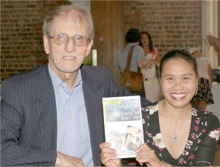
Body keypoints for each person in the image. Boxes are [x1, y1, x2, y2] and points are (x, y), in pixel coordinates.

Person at [0, 3, 150, 166]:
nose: (70, 47)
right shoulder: (19, 89)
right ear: (46, 44)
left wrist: (177, 99)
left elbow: (144, 111)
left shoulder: (101, 80)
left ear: (88, 46)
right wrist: (55, 158)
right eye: (61, 37)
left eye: (78, 38)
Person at [100, 49, 220, 166]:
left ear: (196, 82)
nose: (178, 86)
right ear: (161, 83)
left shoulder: (208, 123)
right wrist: (116, 165)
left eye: (185, 78)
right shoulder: (139, 119)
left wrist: (161, 165)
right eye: (170, 78)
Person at [118, 28, 147, 98]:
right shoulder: (138, 48)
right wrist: (147, 62)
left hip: (125, 82)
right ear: (138, 38)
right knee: (140, 104)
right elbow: (140, 65)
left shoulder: (123, 50)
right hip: (135, 82)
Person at [189, 46, 214, 111]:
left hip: (197, 82)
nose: (199, 52)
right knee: (203, 103)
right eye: (197, 51)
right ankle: (202, 116)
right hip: (205, 81)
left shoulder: (191, 62)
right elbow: (210, 73)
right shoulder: (206, 60)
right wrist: (210, 84)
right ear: (194, 53)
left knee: (196, 103)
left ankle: (198, 116)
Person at [139, 31, 161, 102]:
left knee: (155, 101)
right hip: (142, 80)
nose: (144, 40)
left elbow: (159, 61)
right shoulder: (138, 51)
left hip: (153, 79)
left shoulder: (154, 50)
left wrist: (154, 62)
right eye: (142, 38)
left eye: (146, 38)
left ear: (149, 39)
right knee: (145, 101)